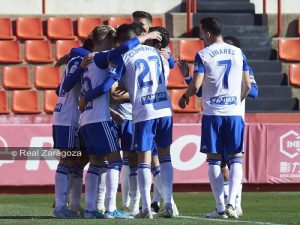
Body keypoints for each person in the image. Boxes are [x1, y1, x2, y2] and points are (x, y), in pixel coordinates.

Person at [80, 23, 174, 219]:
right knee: (165, 156)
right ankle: (168, 202)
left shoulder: (123, 55)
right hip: (164, 109)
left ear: (121, 41)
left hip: (142, 112)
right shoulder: (158, 53)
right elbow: (167, 69)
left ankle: (146, 208)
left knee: (143, 160)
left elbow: (112, 87)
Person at [178, 17, 251, 219]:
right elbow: (248, 85)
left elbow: (196, 85)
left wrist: (185, 95)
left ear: (208, 33)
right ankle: (232, 205)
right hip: (234, 113)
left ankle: (220, 208)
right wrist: (237, 102)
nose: (201, 36)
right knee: (236, 159)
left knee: (214, 161)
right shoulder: (239, 52)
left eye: (201, 32)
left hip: (213, 114)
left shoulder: (203, 54)